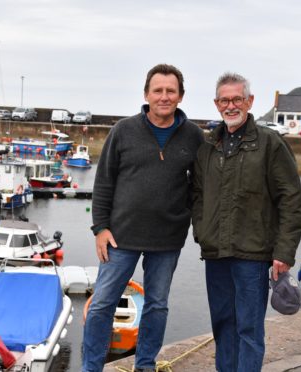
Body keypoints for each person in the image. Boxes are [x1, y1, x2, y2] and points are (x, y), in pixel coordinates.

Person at [83, 64, 204, 372]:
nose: (164, 96)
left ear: (180, 96)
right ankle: (91, 367)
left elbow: (200, 186)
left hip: (167, 239)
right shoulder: (123, 131)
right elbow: (104, 182)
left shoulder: (193, 136)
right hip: (119, 237)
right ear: (146, 94)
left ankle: (145, 365)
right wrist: (100, 228)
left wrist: (186, 218)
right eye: (158, 90)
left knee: (157, 305)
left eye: (170, 91)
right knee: (101, 305)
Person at [191, 72, 301, 372]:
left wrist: (284, 252)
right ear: (216, 104)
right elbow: (198, 195)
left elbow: (291, 200)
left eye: (237, 99)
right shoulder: (208, 147)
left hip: (253, 256)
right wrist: (202, 232)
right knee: (223, 326)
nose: (231, 105)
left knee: (249, 331)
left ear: (250, 101)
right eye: (225, 100)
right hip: (216, 254)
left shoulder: (270, 144)